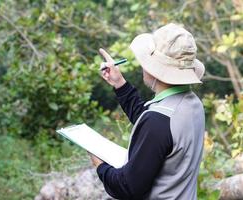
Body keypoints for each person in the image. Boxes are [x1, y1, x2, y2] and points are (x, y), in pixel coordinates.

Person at [88, 23, 206, 200]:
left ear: (155, 70)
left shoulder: (158, 121)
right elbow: (153, 127)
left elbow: (127, 187)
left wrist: (100, 165)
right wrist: (119, 84)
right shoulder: (192, 103)